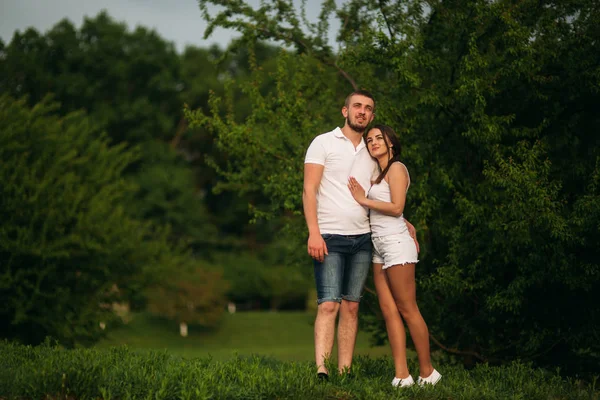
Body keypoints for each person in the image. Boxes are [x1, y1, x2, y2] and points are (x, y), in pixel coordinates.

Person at [303, 91, 417, 379]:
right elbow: (309, 190)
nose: (362, 112)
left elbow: (386, 192)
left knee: (352, 307)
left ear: (372, 116)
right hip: (328, 234)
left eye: (368, 108)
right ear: (345, 110)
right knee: (329, 304)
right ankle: (321, 368)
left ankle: (345, 372)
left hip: (364, 238)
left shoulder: (372, 149)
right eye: (357, 106)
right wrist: (313, 233)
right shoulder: (323, 142)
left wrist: (405, 221)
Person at [347, 124, 441, 387]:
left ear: (391, 144)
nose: (373, 142)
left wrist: (363, 200)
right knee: (389, 310)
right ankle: (402, 375)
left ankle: (428, 372)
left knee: (407, 309)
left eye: (379, 138)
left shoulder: (397, 168)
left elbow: (397, 206)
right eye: (369, 139)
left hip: (397, 245)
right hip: (379, 245)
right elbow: (393, 206)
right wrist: (406, 219)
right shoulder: (379, 173)